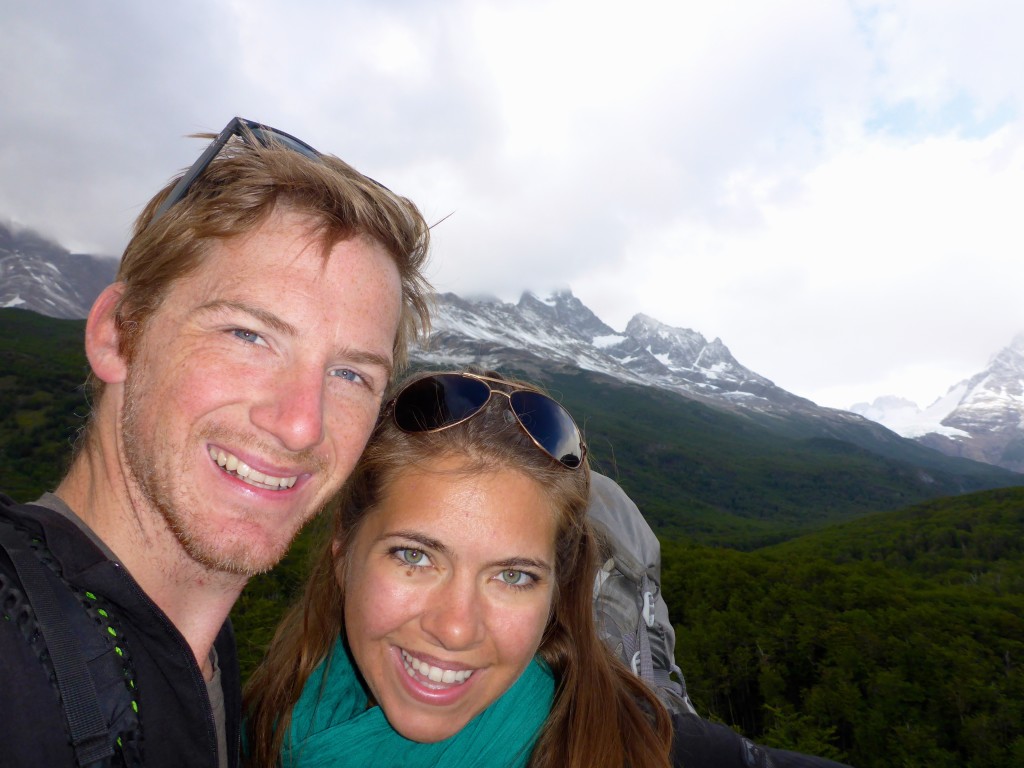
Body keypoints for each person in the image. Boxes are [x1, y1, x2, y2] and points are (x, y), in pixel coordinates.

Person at [0, 117, 432, 768]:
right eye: (248, 336)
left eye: (349, 374)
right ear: (119, 336)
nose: (300, 425)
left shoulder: (203, 655)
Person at [243, 370, 676, 768]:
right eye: (414, 556)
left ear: (556, 592)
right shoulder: (256, 722)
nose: (455, 628)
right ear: (344, 552)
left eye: (513, 576)